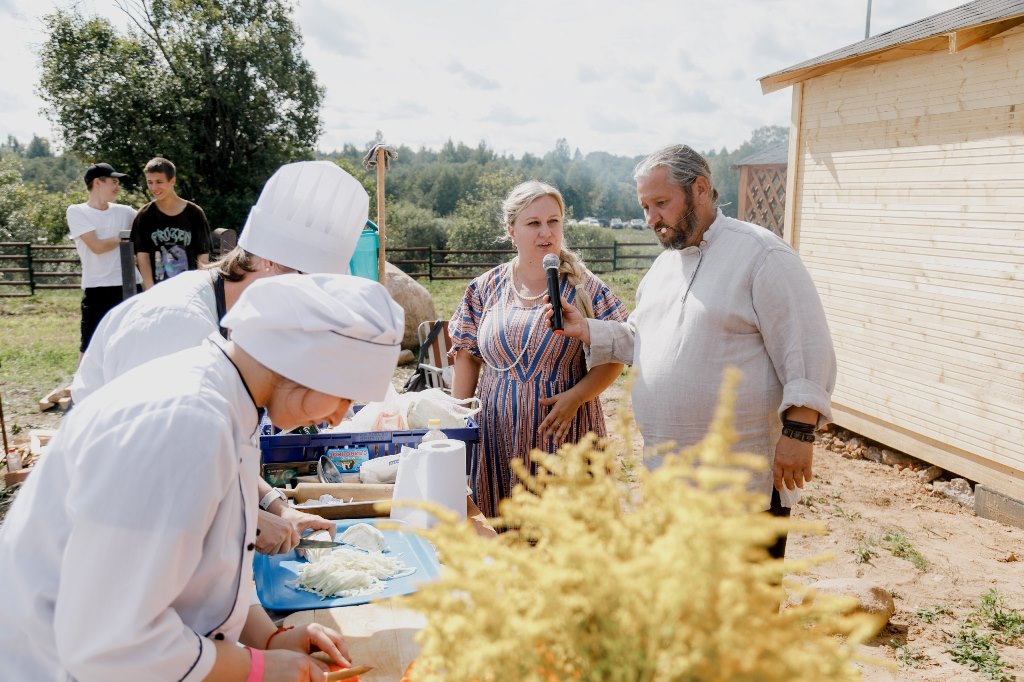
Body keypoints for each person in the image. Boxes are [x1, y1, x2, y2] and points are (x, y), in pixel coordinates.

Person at [0, 273, 404, 681]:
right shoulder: (187, 421)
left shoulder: (232, 401)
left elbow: (215, 559)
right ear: (306, 364)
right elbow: (114, 640)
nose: (339, 416)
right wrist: (258, 669)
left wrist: (270, 639)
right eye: (345, 396)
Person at [548, 144, 837, 558]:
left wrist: (799, 432)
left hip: (739, 482)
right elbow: (644, 339)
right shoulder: (663, 268)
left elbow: (807, 348)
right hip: (668, 478)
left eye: (661, 203)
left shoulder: (761, 255)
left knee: (740, 610)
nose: (652, 219)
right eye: (645, 207)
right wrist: (588, 329)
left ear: (700, 189)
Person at [72, 160, 370, 554]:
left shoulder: (241, 330)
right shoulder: (176, 324)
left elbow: (228, 451)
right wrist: (246, 520)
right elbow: (154, 466)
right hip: (108, 523)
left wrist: (277, 507)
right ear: (270, 264)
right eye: (308, 293)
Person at [450, 180, 628, 518]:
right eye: (533, 223)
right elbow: (467, 356)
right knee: (501, 540)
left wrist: (576, 396)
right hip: (496, 433)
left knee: (565, 545)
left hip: (565, 432)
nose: (545, 232)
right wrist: (457, 425)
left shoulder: (584, 287)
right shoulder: (485, 287)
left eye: (553, 221)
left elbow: (616, 354)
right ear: (511, 231)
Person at [66, 163, 142, 354]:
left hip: (129, 284)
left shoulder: (126, 211)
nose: (118, 187)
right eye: (114, 182)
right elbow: (97, 246)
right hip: (97, 286)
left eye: (118, 183)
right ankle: (80, 383)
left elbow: (145, 232)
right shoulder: (77, 211)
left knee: (132, 341)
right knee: (90, 344)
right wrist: (125, 236)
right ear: (97, 183)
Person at [132, 156, 213, 288]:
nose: (154, 187)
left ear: (172, 181)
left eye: (159, 182)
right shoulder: (144, 215)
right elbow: (142, 257)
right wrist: (150, 290)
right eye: (150, 182)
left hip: (189, 288)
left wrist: (200, 288)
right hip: (158, 289)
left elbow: (202, 255)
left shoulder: (194, 213)